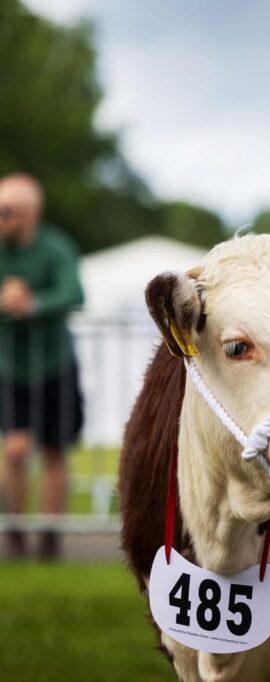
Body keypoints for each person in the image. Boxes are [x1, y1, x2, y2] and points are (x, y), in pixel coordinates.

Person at [0, 173, 84, 560]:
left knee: (55, 450)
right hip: (8, 367)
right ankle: (16, 531)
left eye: (6, 211)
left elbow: (73, 293)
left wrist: (33, 304)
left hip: (55, 365)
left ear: (30, 213)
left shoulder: (56, 246)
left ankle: (50, 537)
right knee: (15, 450)